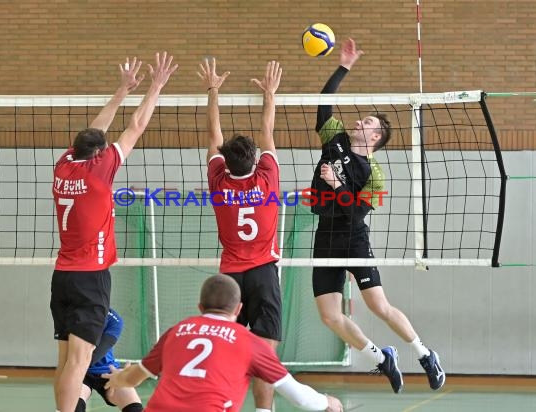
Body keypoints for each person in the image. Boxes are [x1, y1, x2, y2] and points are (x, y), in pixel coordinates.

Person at [310, 38, 445, 394]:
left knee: (378, 305)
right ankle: (380, 358)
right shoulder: (334, 138)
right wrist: (344, 66)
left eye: (367, 121)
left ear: (376, 136)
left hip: (353, 239)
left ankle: (425, 354)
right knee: (329, 316)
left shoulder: (375, 173)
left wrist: (337, 184)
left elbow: (356, 215)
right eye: (362, 117)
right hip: (324, 235)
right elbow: (323, 103)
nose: (359, 120)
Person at [51, 52, 178, 412]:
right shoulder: (98, 172)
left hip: (62, 277)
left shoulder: (64, 166)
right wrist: (155, 86)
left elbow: (94, 132)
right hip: (90, 278)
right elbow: (135, 126)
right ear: (99, 155)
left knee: (65, 365)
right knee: (78, 364)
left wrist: (122, 89)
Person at [101, 275, 343, 412]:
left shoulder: (176, 331)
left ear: (199, 307)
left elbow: (134, 377)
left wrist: (116, 378)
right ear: (239, 309)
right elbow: (300, 398)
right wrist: (329, 403)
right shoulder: (249, 342)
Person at [198, 58, 283, 411]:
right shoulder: (268, 177)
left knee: (224, 352)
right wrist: (270, 95)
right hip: (263, 273)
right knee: (264, 356)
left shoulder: (218, 180)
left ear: (225, 160)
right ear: (256, 161)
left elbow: (213, 136)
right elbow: (268, 131)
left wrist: (213, 90)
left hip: (229, 278)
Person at [75, 308, 142, 412]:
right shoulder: (73, 313)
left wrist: (121, 378)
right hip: (79, 368)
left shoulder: (114, 319)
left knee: (133, 406)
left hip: (108, 371)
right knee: (74, 402)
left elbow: (97, 354)